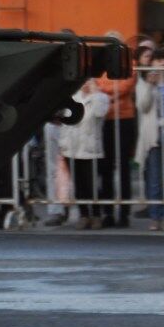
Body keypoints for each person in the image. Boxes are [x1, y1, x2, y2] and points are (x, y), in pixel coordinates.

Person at [95, 33, 138, 226]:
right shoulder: (100, 65)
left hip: (124, 119)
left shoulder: (130, 64)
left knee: (123, 168)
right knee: (106, 168)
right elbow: (100, 84)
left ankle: (124, 213)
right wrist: (111, 90)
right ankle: (108, 212)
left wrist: (106, 92)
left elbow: (126, 85)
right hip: (106, 120)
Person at [137, 54, 164, 231]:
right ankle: (155, 216)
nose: (163, 63)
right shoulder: (143, 82)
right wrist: (149, 84)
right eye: (159, 60)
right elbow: (143, 106)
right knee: (154, 178)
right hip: (153, 135)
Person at [60, 80, 110, 228]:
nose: (86, 84)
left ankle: (96, 215)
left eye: (89, 81)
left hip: (90, 149)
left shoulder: (101, 98)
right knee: (78, 183)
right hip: (72, 147)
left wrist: (94, 93)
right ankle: (83, 214)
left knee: (92, 184)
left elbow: (100, 113)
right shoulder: (73, 97)